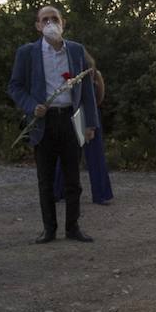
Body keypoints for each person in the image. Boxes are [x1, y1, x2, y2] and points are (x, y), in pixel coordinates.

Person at [8, 5, 100, 243]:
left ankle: (73, 227)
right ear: (38, 26)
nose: (50, 23)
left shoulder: (77, 50)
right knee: (45, 180)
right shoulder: (27, 52)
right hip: (43, 122)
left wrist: (90, 124)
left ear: (63, 23)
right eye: (45, 19)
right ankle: (49, 229)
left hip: (72, 119)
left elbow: (87, 90)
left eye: (54, 19)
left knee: (74, 179)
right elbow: (15, 86)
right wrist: (31, 106)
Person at [53, 51, 113, 205]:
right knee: (95, 156)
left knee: (66, 155)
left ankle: (58, 191)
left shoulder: (67, 75)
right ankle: (101, 194)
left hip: (75, 114)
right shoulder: (93, 74)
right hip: (89, 114)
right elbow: (100, 96)